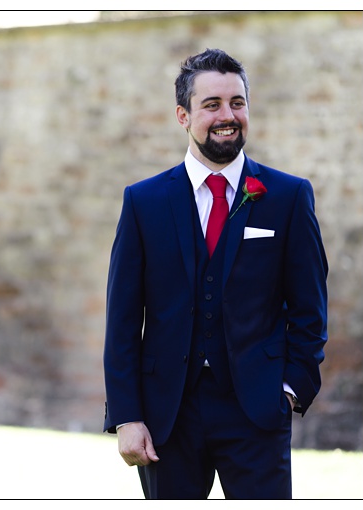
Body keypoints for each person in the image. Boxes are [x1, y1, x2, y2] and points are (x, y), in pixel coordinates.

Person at [102, 48, 328, 499]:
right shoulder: (143, 202)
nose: (228, 115)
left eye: (237, 103)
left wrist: (288, 391)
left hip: (258, 411)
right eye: (212, 105)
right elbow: (123, 319)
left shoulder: (288, 196)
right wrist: (127, 417)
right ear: (183, 115)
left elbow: (310, 310)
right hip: (168, 417)